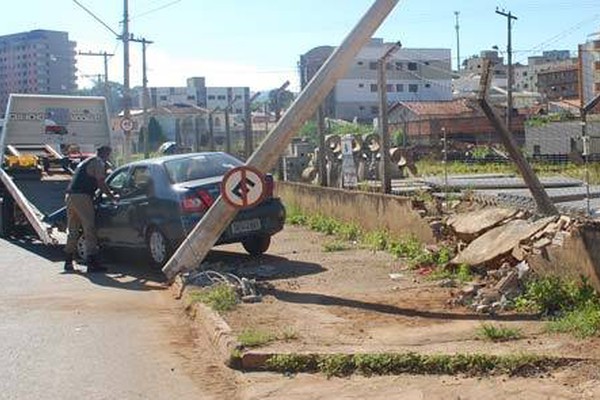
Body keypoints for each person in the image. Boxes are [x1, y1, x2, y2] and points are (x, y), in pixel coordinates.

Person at [63, 145, 117, 273]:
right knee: (89, 228)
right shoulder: (98, 162)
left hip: (70, 196)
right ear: (106, 154)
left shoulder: (86, 161)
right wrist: (111, 196)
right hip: (82, 196)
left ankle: (68, 261)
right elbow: (101, 182)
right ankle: (92, 261)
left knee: (73, 229)